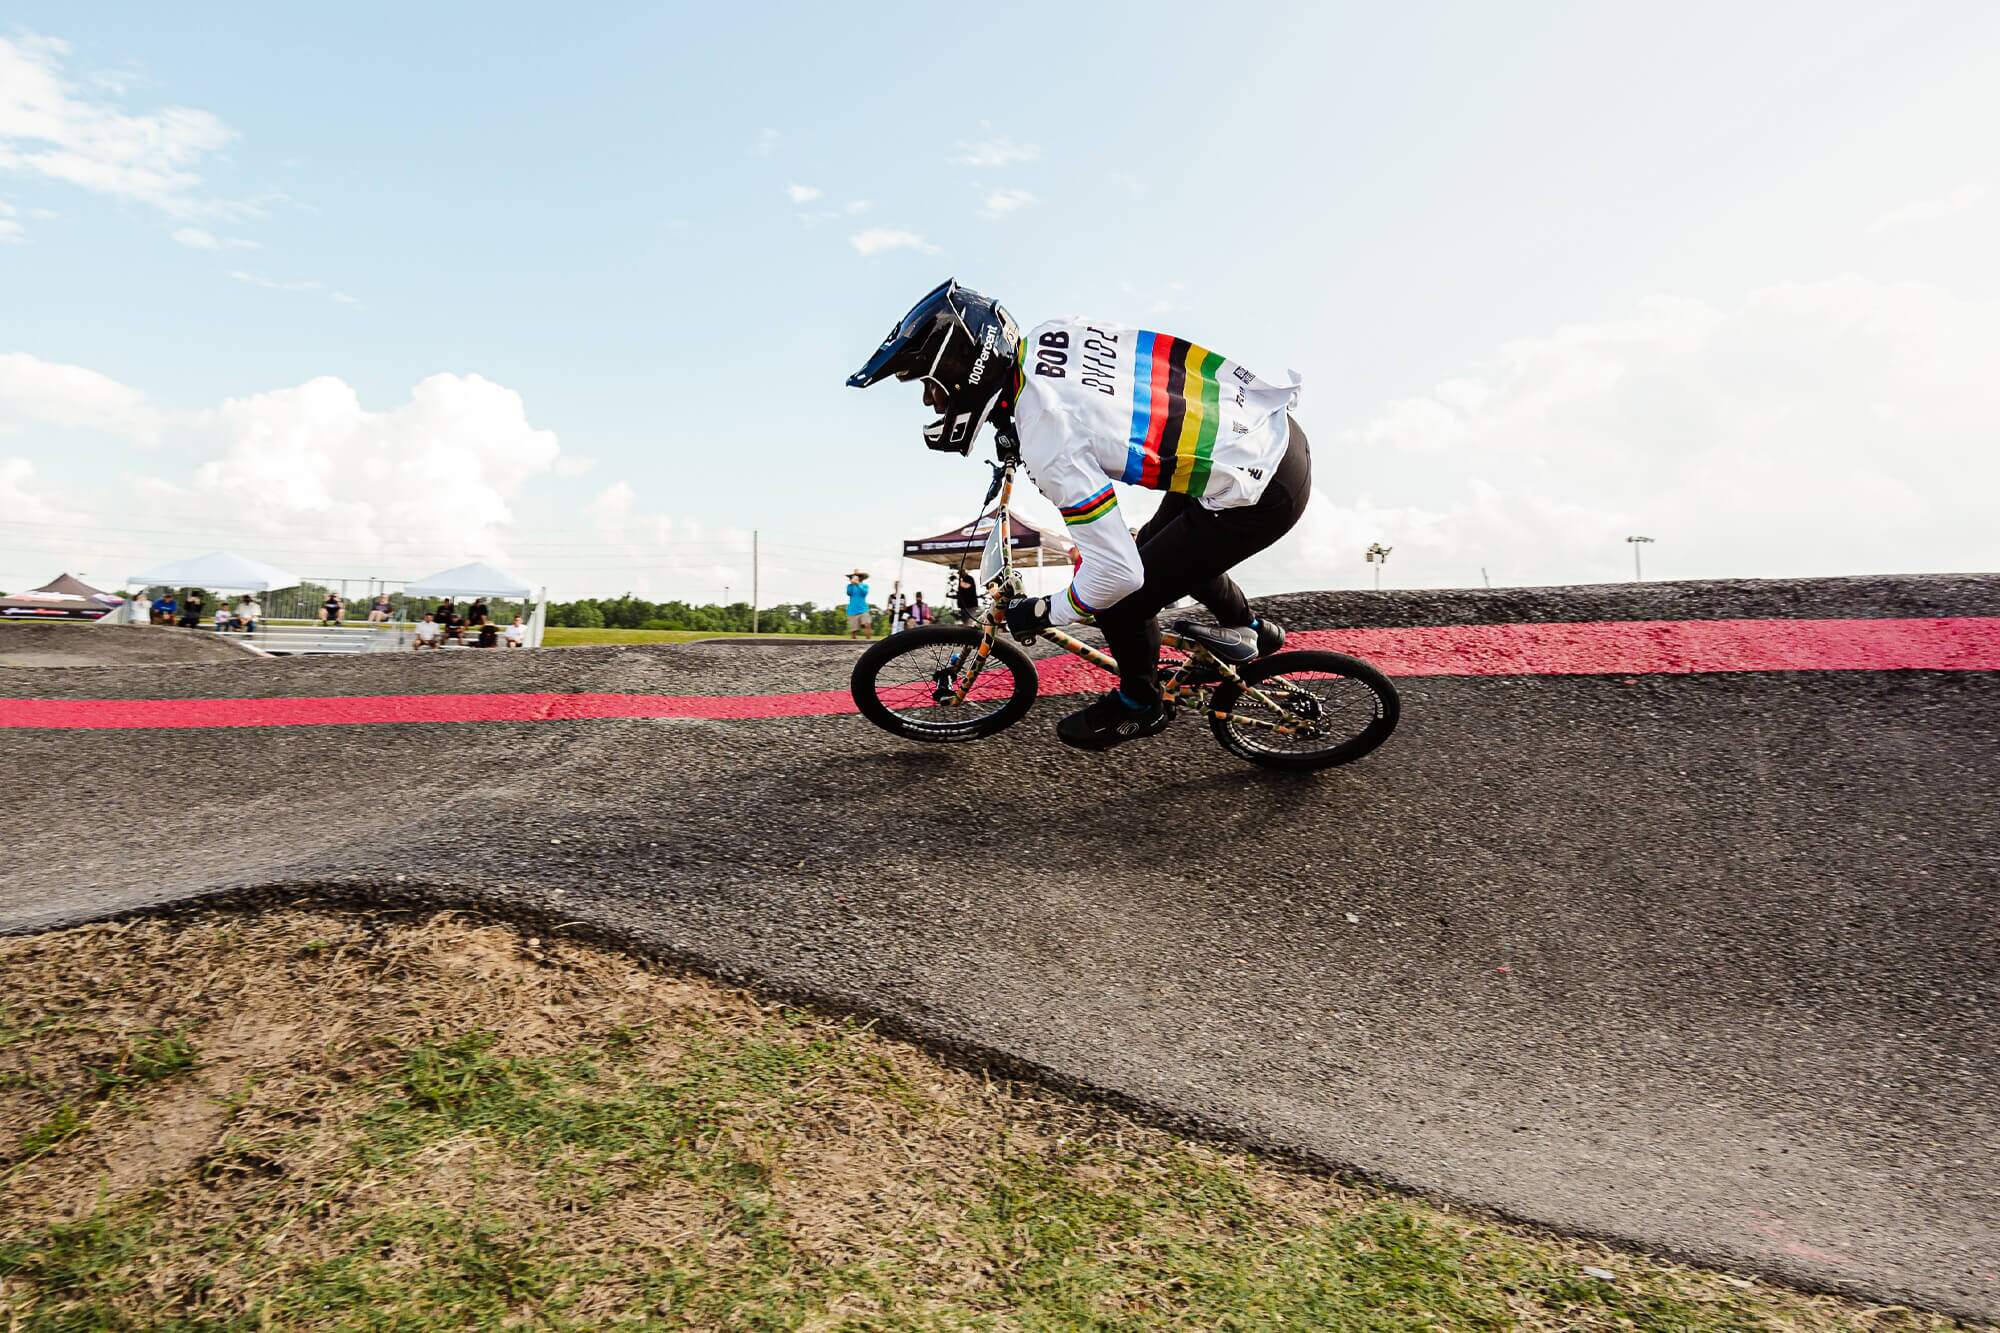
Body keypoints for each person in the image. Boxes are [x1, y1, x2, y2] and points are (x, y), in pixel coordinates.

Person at [848, 279, 1302, 751]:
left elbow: (1116, 574)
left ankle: (1139, 704)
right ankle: (1250, 631)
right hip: (1262, 432)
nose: (930, 402)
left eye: (931, 386)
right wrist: (1010, 427)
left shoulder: (1050, 442)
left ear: (965, 371)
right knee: (1157, 549)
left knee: (1123, 601)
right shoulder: (1049, 335)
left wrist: (1045, 611)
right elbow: (1080, 396)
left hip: (1260, 490)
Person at [844, 571, 871, 640]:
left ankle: (869, 642)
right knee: (854, 630)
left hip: (863, 609)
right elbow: (848, 593)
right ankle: (853, 644)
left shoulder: (865, 586)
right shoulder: (850, 586)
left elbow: (864, 593)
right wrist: (853, 583)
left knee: (867, 624)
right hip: (852, 610)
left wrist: (858, 584)